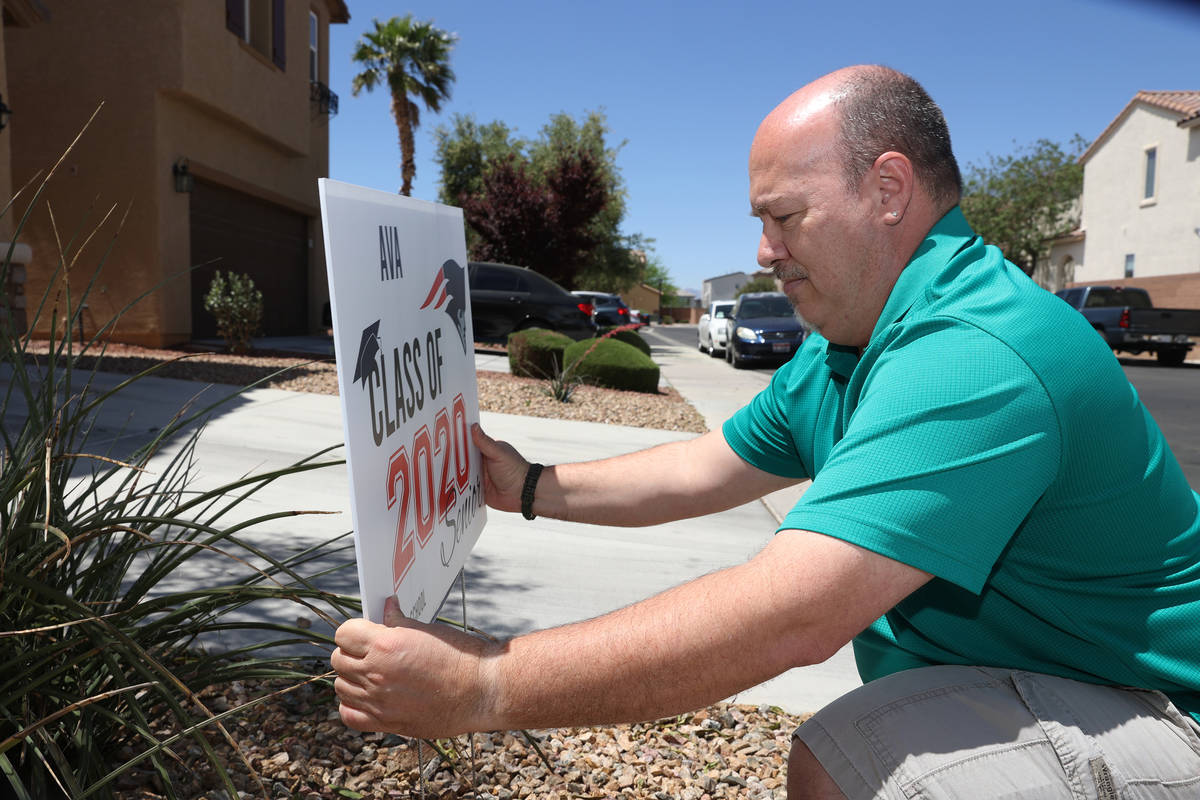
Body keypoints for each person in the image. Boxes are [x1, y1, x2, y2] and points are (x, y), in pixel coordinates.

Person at [332, 65, 1200, 798]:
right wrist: (525, 485)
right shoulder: (849, 346)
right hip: (1048, 679)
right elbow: (706, 468)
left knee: (852, 759)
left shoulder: (977, 354)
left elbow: (791, 616)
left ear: (888, 190)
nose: (762, 249)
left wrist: (484, 683)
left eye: (784, 217)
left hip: (1154, 711)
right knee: (842, 752)